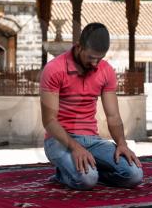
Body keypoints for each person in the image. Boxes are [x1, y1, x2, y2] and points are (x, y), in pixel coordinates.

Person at [40, 22, 143, 190]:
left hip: (93, 140)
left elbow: (113, 116)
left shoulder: (106, 71)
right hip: (59, 141)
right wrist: (75, 147)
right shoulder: (53, 69)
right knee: (86, 180)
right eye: (91, 58)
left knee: (134, 175)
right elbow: (49, 121)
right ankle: (63, 174)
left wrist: (122, 144)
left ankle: (91, 172)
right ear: (79, 47)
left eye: (99, 59)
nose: (95, 64)